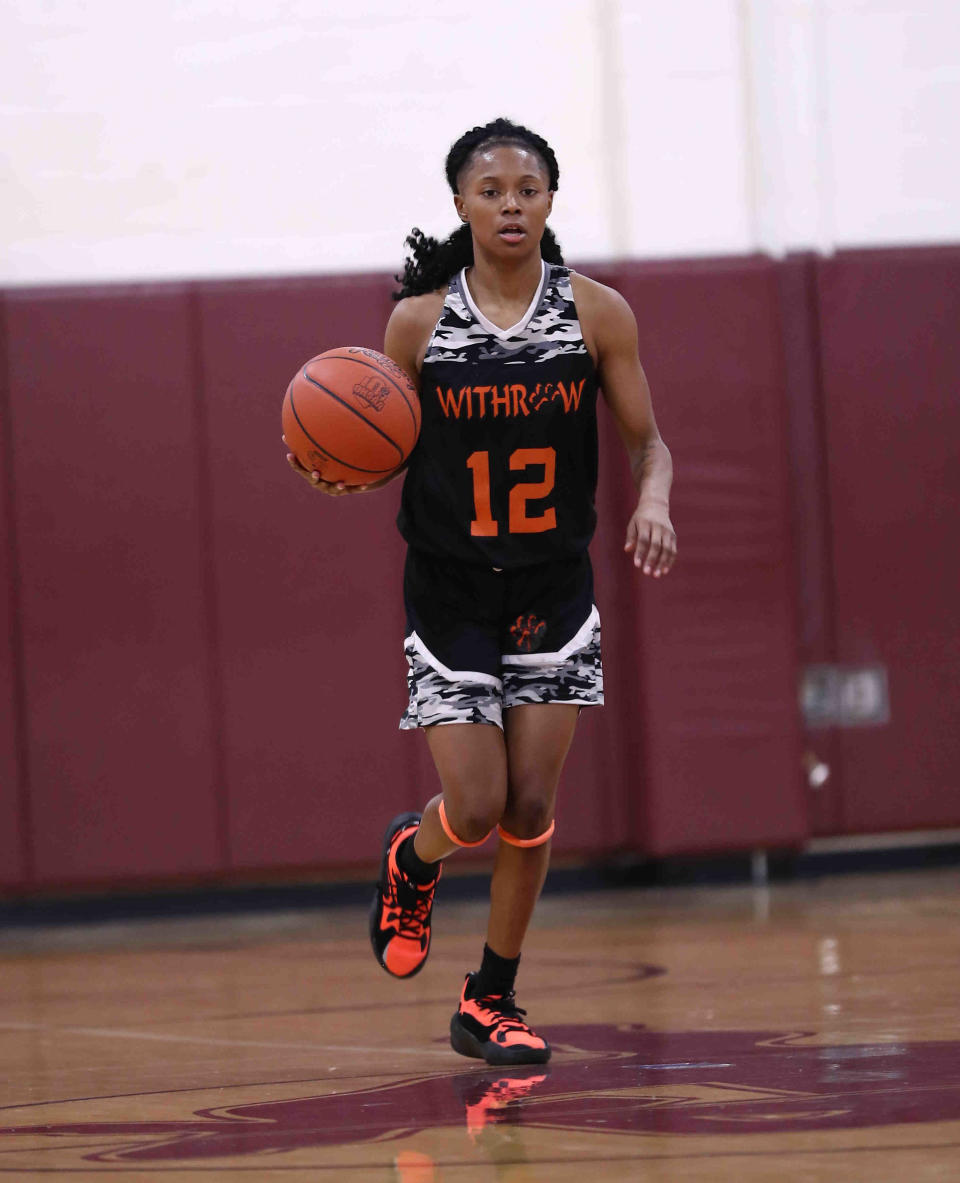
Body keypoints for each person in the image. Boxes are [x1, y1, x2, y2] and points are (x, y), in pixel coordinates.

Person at [285, 117, 676, 1066]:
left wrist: (655, 497)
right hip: (452, 587)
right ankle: (413, 856)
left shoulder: (598, 313)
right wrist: (341, 470)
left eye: (528, 188)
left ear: (550, 200)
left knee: (530, 808)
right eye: (492, 189)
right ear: (460, 204)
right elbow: (388, 449)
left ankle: (489, 998)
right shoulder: (420, 321)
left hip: (553, 583)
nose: (511, 203)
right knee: (474, 804)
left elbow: (646, 444)